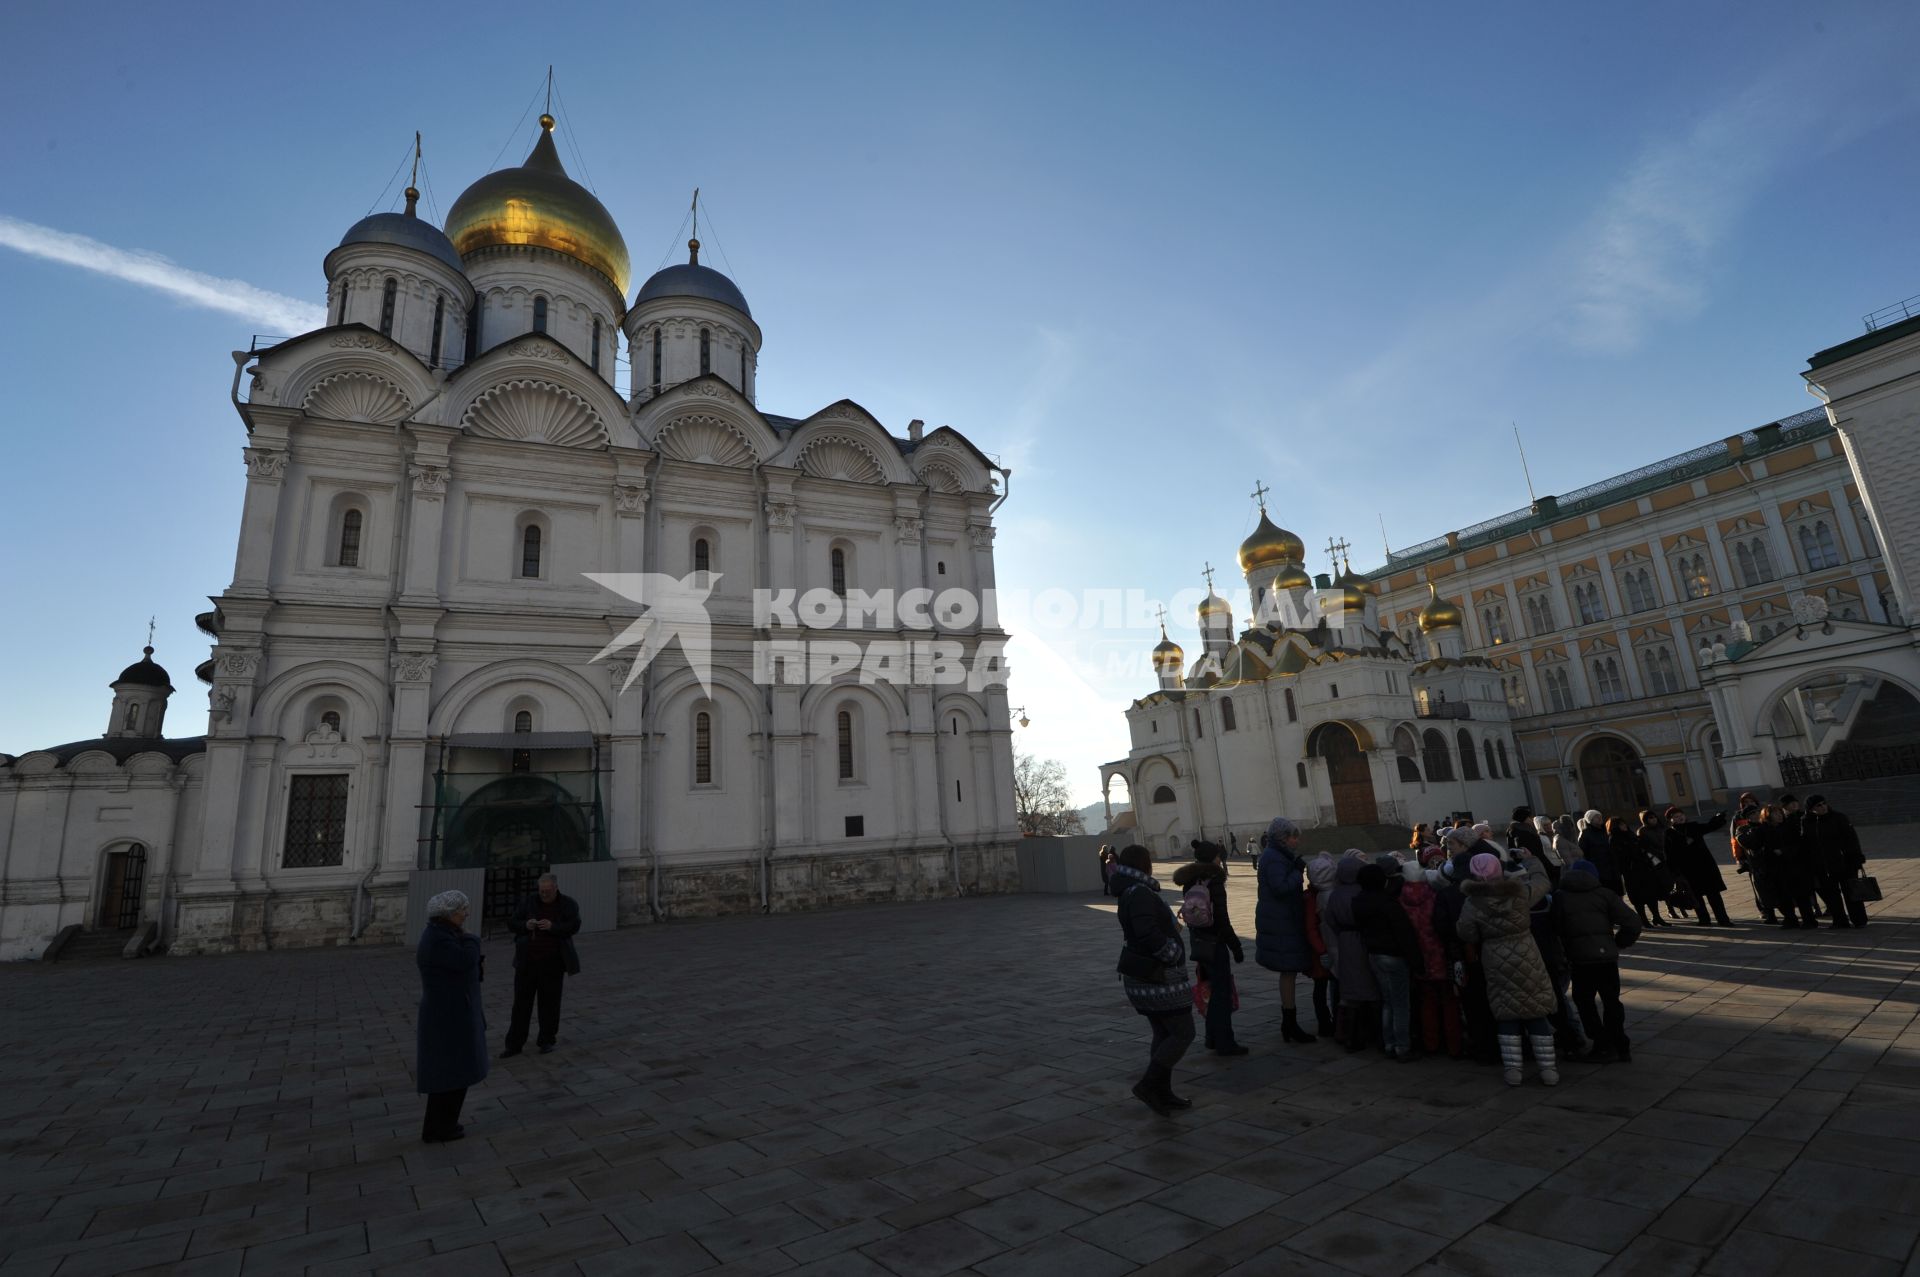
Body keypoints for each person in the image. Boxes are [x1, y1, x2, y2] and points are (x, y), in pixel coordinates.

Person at [1455, 854, 1559, 1086]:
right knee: (1535, 1008)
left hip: (1493, 956)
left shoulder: (1472, 902)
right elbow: (1543, 883)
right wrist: (1531, 860)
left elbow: (1466, 933)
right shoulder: (1519, 892)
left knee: (1506, 1011)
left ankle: (1513, 1071)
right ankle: (1548, 1069)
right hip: (1526, 951)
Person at [1110, 845, 1195, 1115]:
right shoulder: (1140, 894)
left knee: (1164, 1032)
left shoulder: (1131, 891)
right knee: (1183, 1032)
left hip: (1145, 977)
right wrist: (1171, 953)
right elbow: (1146, 933)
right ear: (1144, 865)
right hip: (1156, 977)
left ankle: (1162, 1091)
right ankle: (1149, 1085)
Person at [1552, 858, 1642, 1062]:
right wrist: (1619, 942)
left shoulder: (1560, 896)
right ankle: (1620, 1044)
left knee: (1585, 1002)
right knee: (1612, 1001)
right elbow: (1633, 922)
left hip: (1580, 959)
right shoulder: (1604, 894)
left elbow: (1555, 928)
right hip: (1606, 958)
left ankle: (1601, 1042)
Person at [417, 890, 487, 1143]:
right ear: (448, 914)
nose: (465, 914)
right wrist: (472, 941)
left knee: (454, 1073)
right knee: (449, 1074)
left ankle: (445, 1123)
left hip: (453, 1012)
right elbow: (464, 961)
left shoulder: (442, 935)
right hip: (447, 1017)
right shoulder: (439, 939)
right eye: (461, 910)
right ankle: (439, 1127)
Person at [1173, 840, 1247, 1055]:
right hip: (1215, 943)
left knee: (1211, 988)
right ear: (1212, 858)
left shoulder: (1190, 881)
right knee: (1221, 993)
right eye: (1217, 855)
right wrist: (1236, 946)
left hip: (1198, 942)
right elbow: (1222, 919)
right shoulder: (1214, 881)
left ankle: (1212, 1038)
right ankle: (1225, 1041)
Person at [501, 873, 583, 1058]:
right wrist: (526, 925)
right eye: (541, 891)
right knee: (521, 1004)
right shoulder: (529, 902)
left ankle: (546, 1040)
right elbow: (512, 923)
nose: (544, 894)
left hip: (552, 962)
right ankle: (514, 1044)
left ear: (555, 888)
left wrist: (553, 927)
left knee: (550, 1003)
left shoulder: (568, 904)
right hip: (527, 961)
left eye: (547, 891)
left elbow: (574, 926)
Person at [1254, 816, 1319, 1045]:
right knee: (1288, 971)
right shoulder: (1273, 858)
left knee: (1289, 971)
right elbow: (1280, 888)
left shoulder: (1276, 856)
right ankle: (1289, 1023)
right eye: (1293, 837)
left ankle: (1289, 1022)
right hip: (1280, 921)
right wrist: (1297, 872)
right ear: (1282, 838)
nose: (1296, 841)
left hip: (1283, 919)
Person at [1353, 861, 1420, 1060]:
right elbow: (1404, 935)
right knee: (1400, 1003)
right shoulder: (1388, 904)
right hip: (1394, 956)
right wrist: (1416, 961)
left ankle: (1389, 1042)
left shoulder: (1358, 902)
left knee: (1388, 1001)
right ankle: (1402, 1046)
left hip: (1374, 954)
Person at [1400, 855, 1460, 1057]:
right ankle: (1454, 1044)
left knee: (1427, 1001)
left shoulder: (1401, 898)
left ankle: (1431, 1043)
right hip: (1439, 953)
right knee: (1449, 1000)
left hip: (1418, 956)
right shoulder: (1434, 895)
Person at [1323, 853, 1381, 1052]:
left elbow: (1329, 919)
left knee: (1350, 989)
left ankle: (1350, 1036)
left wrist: (1342, 933)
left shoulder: (1335, 894)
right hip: (1364, 940)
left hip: (1346, 942)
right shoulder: (1362, 891)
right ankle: (1375, 1033)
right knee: (1370, 983)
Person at [1803, 795, 1868, 928]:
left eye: (1824, 803)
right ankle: (1840, 920)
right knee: (1832, 895)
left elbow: (1852, 839)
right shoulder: (1806, 821)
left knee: (1851, 892)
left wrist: (1856, 857)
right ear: (1811, 809)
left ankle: (1859, 919)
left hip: (1845, 862)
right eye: (1818, 805)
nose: (1823, 807)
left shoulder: (1839, 817)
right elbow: (1806, 844)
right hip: (1823, 865)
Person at [1663, 805, 1732, 926]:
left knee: (1714, 895)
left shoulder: (1693, 826)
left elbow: (1710, 826)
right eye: (1676, 817)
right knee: (1696, 896)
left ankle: (1723, 919)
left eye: (1681, 815)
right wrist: (1674, 872)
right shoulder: (1669, 833)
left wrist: (1718, 818)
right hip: (1688, 869)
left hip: (1705, 866)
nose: (1680, 818)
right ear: (1670, 820)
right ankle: (1704, 919)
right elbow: (1669, 854)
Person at [1303, 853, 1339, 1037]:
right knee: (1321, 987)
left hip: (1327, 949)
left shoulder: (1321, 895)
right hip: (1321, 952)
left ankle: (1336, 1020)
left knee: (1331, 986)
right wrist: (1321, 950)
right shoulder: (1311, 898)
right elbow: (1311, 928)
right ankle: (1324, 1023)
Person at [1611, 816, 1669, 928]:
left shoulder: (1632, 835)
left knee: (1651, 895)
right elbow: (1619, 858)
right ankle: (1644, 919)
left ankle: (1657, 917)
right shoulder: (1614, 840)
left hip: (1644, 870)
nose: (1624, 826)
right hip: (1631, 873)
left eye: (1624, 824)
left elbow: (1643, 847)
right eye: (1621, 825)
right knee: (1638, 898)